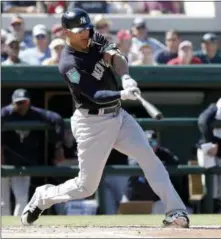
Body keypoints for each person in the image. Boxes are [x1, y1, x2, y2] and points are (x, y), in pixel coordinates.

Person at [21, 8, 189, 228]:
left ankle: (175, 212)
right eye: (79, 30)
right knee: (86, 187)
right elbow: (93, 95)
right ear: (66, 32)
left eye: (87, 28)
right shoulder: (68, 64)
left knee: (150, 159)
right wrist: (122, 94)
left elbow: (115, 56)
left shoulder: (93, 36)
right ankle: (43, 196)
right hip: (92, 122)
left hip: (118, 116)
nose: (85, 33)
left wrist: (126, 77)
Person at [1, 89, 65, 216]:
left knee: (22, 199)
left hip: (22, 163)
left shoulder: (35, 113)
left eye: (23, 102)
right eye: (18, 103)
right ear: (13, 103)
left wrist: (58, 147)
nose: (21, 105)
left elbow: (56, 119)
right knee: (2, 202)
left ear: (29, 102)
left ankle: (16, 230)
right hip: (4, 161)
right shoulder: (6, 113)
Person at [126, 130, 182, 214]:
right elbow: (131, 167)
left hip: (157, 200)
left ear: (157, 144)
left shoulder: (164, 154)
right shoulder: (136, 153)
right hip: (135, 199)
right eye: (147, 143)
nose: (150, 146)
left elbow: (175, 164)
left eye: (153, 143)